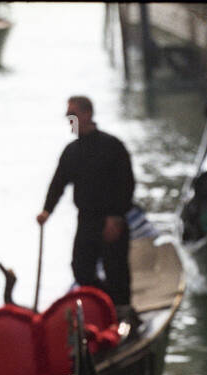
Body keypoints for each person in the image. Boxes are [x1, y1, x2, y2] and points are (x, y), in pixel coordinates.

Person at [37, 95, 135, 312]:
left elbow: (126, 184)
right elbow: (58, 183)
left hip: (111, 220)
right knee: (81, 269)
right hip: (87, 221)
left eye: (72, 115)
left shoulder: (112, 146)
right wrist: (47, 211)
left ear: (87, 114)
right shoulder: (71, 152)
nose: (68, 119)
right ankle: (102, 306)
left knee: (116, 270)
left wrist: (116, 217)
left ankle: (123, 312)